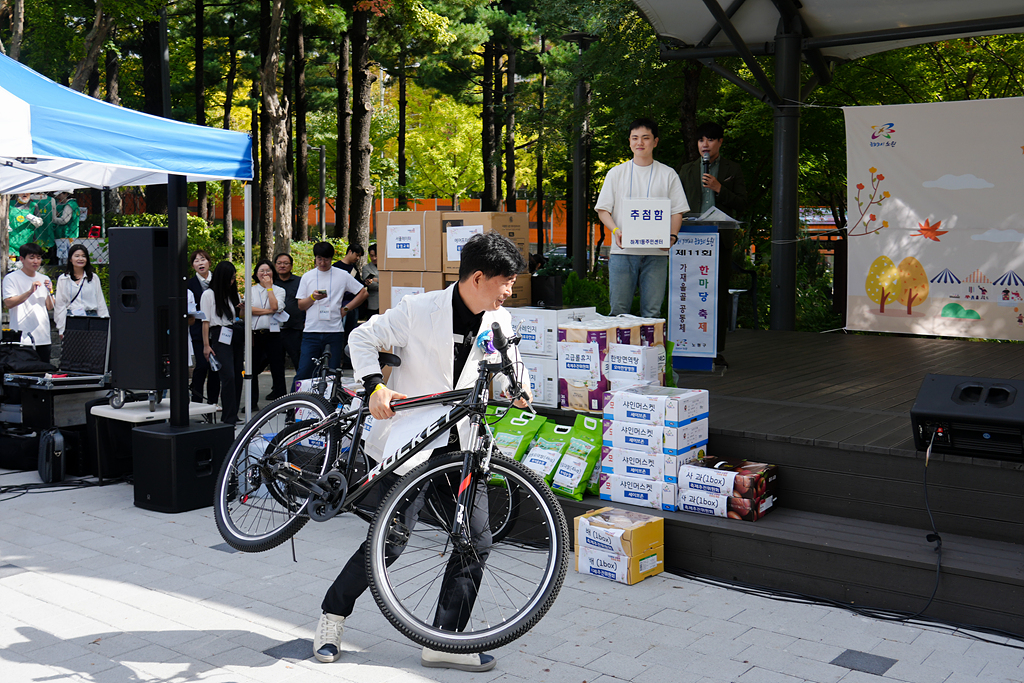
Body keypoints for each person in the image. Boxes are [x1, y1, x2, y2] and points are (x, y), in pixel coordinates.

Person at [313, 232, 531, 672]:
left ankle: (443, 642)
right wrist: (374, 384)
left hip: (465, 445)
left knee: (477, 540)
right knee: (390, 543)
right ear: (477, 277)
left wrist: (517, 390)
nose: (510, 290)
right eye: (505, 281)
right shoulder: (418, 310)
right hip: (416, 442)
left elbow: (512, 371)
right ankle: (332, 616)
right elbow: (362, 338)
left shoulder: (500, 321)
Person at [596, 117, 688, 318]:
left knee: (652, 312)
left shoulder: (668, 174)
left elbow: (677, 211)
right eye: (635, 138)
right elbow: (603, 210)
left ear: (655, 141)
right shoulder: (616, 173)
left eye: (645, 138)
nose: (640, 143)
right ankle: (620, 350)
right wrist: (615, 230)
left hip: (657, 252)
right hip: (623, 251)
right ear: (629, 141)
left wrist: (672, 237)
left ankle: (651, 350)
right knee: (619, 311)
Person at [678, 121, 749, 363]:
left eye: (710, 140)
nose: (704, 144)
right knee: (687, 293)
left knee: (716, 295)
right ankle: (685, 345)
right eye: (701, 140)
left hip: (719, 240)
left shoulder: (732, 169)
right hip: (689, 242)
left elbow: (742, 203)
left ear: (720, 142)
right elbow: (678, 206)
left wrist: (720, 188)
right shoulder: (686, 170)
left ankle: (714, 350)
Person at [294, 242, 368, 381]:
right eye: (319, 259)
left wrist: (346, 308)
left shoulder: (342, 275)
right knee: (304, 371)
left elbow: (363, 293)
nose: (322, 263)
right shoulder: (307, 276)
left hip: (334, 331)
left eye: (326, 259)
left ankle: (329, 402)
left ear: (331, 258)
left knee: (332, 373)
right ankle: (299, 401)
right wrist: (312, 297)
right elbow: (301, 305)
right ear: (315, 258)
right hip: (311, 332)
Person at [201, 261, 243, 425]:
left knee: (238, 375)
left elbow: (238, 318)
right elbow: (205, 321)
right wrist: (206, 345)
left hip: (235, 334)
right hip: (219, 335)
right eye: (229, 279)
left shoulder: (233, 295)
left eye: (233, 279)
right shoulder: (209, 295)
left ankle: (233, 413)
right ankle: (228, 416)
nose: (231, 282)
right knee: (228, 376)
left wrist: (242, 309)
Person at [2, 243, 54, 362]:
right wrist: (30, 292)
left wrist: (50, 291)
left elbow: (50, 306)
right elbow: (8, 303)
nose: (36, 261)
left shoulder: (44, 278)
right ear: (22, 259)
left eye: (38, 258)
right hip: (22, 337)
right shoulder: (11, 278)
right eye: (31, 257)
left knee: (43, 373)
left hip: (43, 336)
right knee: (24, 375)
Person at [249, 258, 287, 406]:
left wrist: (269, 288)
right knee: (252, 370)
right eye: (262, 271)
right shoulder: (251, 290)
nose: (265, 273)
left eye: (268, 270)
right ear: (256, 273)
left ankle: (281, 402)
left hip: (274, 334)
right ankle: (251, 401)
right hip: (255, 334)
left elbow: (276, 306)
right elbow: (249, 310)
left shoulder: (279, 290)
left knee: (277, 368)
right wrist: (269, 311)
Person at [54, 244, 108, 337]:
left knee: (93, 349)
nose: (81, 259)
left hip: (92, 319)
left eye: (83, 256)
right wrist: (61, 328)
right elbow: (60, 305)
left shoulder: (93, 278)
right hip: (72, 320)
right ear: (70, 259)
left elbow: (100, 302)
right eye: (77, 256)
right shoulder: (63, 279)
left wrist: (105, 324)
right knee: (73, 350)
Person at [187, 249, 219, 405]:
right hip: (198, 331)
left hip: (217, 329)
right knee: (201, 365)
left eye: (203, 259)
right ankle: (196, 401)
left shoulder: (218, 281)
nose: (200, 263)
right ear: (193, 266)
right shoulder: (189, 284)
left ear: (209, 262)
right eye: (196, 261)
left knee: (215, 368)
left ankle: (212, 402)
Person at [333, 244, 365, 367]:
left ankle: (348, 360)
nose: (357, 258)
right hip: (342, 305)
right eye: (357, 255)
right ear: (350, 252)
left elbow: (359, 285)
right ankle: (338, 359)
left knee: (351, 333)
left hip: (354, 304)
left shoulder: (354, 268)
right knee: (340, 333)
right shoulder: (336, 267)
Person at [273, 252, 305, 376]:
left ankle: (301, 389)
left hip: (294, 327)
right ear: (275, 265)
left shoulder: (299, 281)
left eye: (286, 263)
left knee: (298, 360)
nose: (282, 266)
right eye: (279, 263)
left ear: (291, 266)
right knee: (276, 362)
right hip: (274, 328)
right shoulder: (271, 282)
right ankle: (278, 391)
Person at [362, 243, 379, 318]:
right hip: (373, 304)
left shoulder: (387, 267)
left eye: (376, 255)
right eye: (372, 256)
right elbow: (370, 284)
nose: (374, 258)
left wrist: (377, 280)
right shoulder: (366, 268)